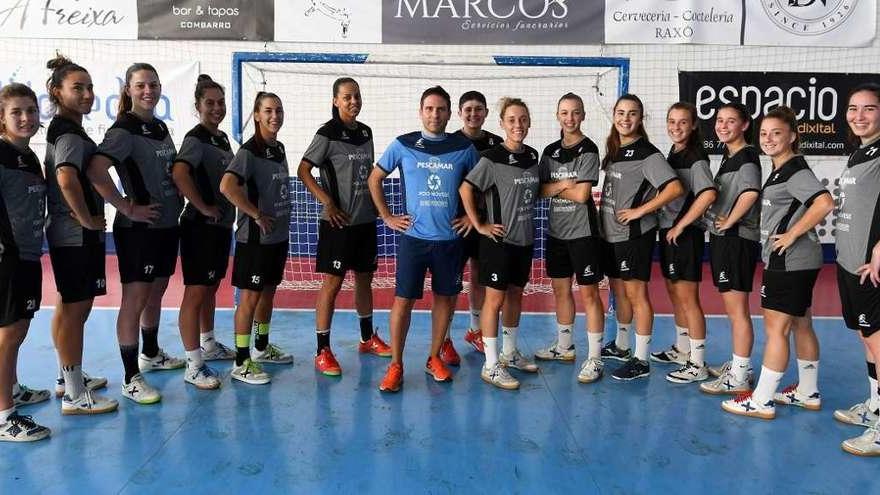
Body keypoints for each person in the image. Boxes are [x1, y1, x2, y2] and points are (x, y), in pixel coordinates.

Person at [721, 106, 832, 419]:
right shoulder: (783, 169)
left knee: (777, 329)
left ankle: (762, 399)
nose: (768, 139)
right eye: (764, 133)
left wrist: (791, 234)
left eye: (777, 133)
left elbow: (824, 203)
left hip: (790, 261)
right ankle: (808, 392)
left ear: (792, 136)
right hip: (799, 261)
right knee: (801, 323)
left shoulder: (795, 170)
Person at [369, 86, 479, 392]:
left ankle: (433, 357)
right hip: (414, 240)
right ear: (421, 112)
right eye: (429, 109)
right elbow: (374, 178)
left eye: (440, 109)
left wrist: (472, 217)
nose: (434, 114)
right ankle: (396, 365)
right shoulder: (403, 144)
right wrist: (387, 216)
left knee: (445, 299)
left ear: (448, 113)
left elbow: (483, 184)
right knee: (402, 302)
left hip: (450, 240)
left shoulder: (463, 148)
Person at [89, 63, 184, 404]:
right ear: (128, 90)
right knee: (135, 299)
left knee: (156, 293)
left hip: (165, 227)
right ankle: (131, 376)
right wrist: (126, 206)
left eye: (154, 84)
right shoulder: (123, 130)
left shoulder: (158, 128)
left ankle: (151, 352)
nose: (148, 90)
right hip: (139, 230)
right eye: (141, 85)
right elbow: (96, 169)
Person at [298, 77, 391, 377]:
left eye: (357, 96)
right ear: (336, 100)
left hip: (365, 221)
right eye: (347, 97)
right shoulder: (326, 133)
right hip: (338, 223)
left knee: (365, 279)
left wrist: (379, 208)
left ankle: (366, 338)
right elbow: (303, 170)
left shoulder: (366, 132)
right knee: (333, 284)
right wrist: (326, 201)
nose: (354, 101)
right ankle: (322, 350)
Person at [44, 54, 116, 413]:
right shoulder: (68, 133)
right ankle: (74, 394)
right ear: (57, 92)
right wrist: (86, 218)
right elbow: (66, 178)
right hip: (74, 235)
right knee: (76, 309)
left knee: (69, 305)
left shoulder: (66, 128)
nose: (87, 94)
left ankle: (66, 378)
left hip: (68, 233)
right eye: (78, 88)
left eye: (89, 87)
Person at [598, 94, 683, 381]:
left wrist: (639, 211)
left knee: (637, 295)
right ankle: (622, 346)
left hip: (634, 235)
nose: (625, 118)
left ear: (640, 117)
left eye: (632, 113)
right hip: (612, 236)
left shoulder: (648, 154)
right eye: (621, 112)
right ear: (613, 115)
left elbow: (673, 188)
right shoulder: (614, 149)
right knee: (619, 291)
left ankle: (641, 358)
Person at [461, 97, 541, 390]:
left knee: (516, 295)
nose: (517, 125)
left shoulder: (533, 156)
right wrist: (479, 224)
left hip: (524, 239)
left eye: (522, 120)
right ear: (502, 124)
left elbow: (537, 190)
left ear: (529, 122)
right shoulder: (492, 157)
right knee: (493, 300)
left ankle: (509, 352)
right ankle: (491, 364)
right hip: (498, 240)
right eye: (511, 120)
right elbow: (466, 188)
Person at [220, 92, 293, 385]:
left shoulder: (279, 148)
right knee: (249, 298)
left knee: (268, 292)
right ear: (257, 115)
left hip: (277, 238)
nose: (274, 115)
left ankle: (261, 348)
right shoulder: (248, 151)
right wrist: (255, 214)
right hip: (255, 239)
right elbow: (227, 186)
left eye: (278, 109)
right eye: (268, 111)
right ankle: (241, 361)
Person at [533, 93, 606, 384]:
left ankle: (595, 357)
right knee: (560, 291)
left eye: (575, 113)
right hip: (556, 233)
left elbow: (582, 195)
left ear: (583, 115)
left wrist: (555, 186)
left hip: (583, 233)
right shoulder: (549, 151)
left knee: (589, 294)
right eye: (564, 113)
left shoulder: (589, 149)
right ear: (557, 115)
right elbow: (539, 190)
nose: (570, 118)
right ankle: (564, 347)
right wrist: (564, 184)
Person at [170, 75, 237, 390]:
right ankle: (193, 364)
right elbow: (180, 172)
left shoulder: (221, 139)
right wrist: (203, 205)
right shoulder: (195, 138)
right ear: (197, 106)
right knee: (195, 292)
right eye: (209, 103)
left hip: (220, 228)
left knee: (210, 288)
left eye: (220, 102)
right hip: (200, 227)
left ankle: (208, 343)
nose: (216, 108)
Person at [0, 83, 52, 441]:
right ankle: (5, 415)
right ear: (2, 118)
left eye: (31, 111)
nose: (26, 118)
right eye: (16, 112)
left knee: (19, 329)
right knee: (8, 333)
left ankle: (13, 389)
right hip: (9, 256)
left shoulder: (29, 156)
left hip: (30, 253)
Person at [699, 103, 761, 396]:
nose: (723, 126)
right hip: (726, 239)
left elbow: (750, 192)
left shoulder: (746, 157)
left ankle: (739, 376)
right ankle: (740, 366)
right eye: (719, 121)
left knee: (737, 311)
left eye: (731, 121)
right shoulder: (730, 156)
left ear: (745, 124)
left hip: (736, 239)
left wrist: (730, 220)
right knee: (732, 309)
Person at [654, 102, 717, 384]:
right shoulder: (674, 152)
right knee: (675, 293)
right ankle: (682, 349)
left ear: (693, 125)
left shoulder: (696, 158)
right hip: (669, 232)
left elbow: (708, 194)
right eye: (672, 121)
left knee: (689, 299)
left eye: (682, 122)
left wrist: (681, 224)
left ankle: (698, 363)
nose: (676, 127)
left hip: (685, 235)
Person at [833, 83, 880, 455]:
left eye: (869, 109)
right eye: (853, 109)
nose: (859, 116)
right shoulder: (860, 153)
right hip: (850, 261)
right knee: (867, 338)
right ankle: (875, 406)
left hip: (872, 265)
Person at [447, 90, 503, 361]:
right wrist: (467, 215)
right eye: (468, 109)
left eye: (478, 109)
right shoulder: (450, 142)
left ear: (486, 113)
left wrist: (478, 217)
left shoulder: (497, 144)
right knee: (451, 280)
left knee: (479, 276)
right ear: (459, 113)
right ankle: (444, 338)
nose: (473, 114)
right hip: (456, 223)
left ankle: (475, 329)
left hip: (485, 222)